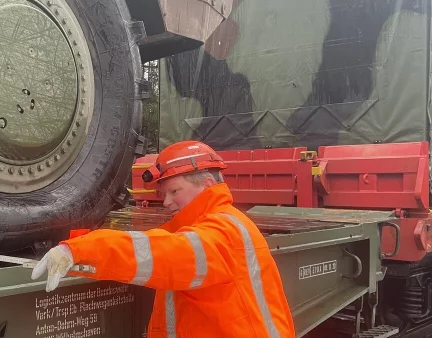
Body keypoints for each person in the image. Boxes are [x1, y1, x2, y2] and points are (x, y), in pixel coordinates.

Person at [31, 140, 296, 338]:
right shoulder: (211, 225)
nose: (166, 202)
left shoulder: (223, 230)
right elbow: (153, 243)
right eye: (163, 194)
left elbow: (160, 253)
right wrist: (77, 245)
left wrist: (79, 250)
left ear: (206, 185)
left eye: (174, 191)